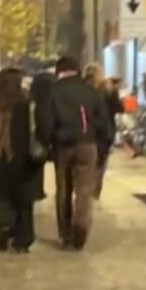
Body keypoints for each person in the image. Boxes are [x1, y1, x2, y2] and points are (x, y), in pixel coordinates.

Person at [38, 55, 113, 250]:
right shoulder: (91, 92)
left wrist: (46, 143)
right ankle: (80, 228)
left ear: (59, 71)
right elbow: (103, 121)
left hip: (63, 146)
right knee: (84, 190)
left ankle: (66, 234)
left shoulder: (54, 92)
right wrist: (103, 145)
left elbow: (46, 123)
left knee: (63, 189)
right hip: (88, 145)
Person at [0, 67, 44, 252]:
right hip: (25, 161)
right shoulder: (27, 104)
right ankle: (22, 240)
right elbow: (37, 129)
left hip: (2, 159)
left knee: (2, 198)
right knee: (24, 203)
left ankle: (5, 228)